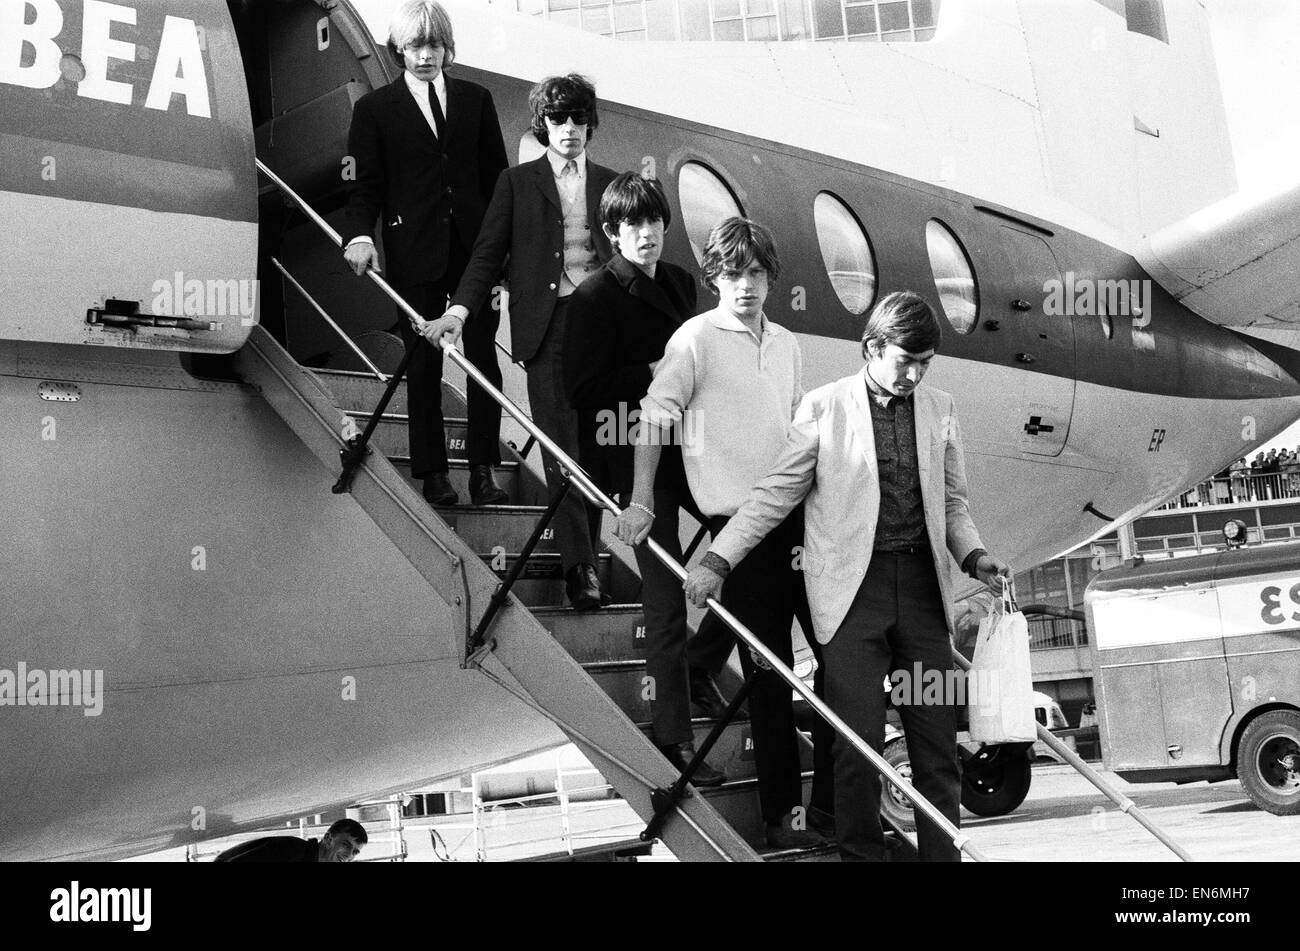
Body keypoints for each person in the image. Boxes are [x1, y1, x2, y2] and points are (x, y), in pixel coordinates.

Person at [684, 290, 1011, 862]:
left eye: (925, 363)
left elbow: (953, 505)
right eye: (904, 360)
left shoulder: (942, 408)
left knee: (935, 749)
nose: (914, 374)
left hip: (923, 594)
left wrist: (976, 558)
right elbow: (772, 496)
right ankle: (861, 857)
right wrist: (718, 560)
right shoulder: (823, 407)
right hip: (852, 600)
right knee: (856, 748)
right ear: (872, 347)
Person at [615, 217, 828, 849]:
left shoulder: (787, 343)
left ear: (770, 278)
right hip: (736, 526)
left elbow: (798, 436)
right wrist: (640, 498)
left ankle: (837, 808)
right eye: (732, 274)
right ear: (714, 278)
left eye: (756, 273)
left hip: (798, 520)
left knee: (836, 659)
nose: (745, 286)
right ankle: (782, 820)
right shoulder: (694, 339)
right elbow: (654, 418)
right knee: (770, 669)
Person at [563, 173, 735, 785]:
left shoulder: (685, 283)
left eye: (654, 224)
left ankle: (701, 661)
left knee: (749, 545)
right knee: (664, 602)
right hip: (633, 457)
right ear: (611, 233)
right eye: (633, 226)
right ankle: (675, 742)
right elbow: (580, 391)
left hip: (689, 448)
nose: (647, 235)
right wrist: (651, 370)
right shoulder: (592, 298)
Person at [423, 74, 615, 610]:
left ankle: (589, 558)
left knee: (598, 449)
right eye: (559, 120)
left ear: (590, 124)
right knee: (560, 448)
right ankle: (582, 570)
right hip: (546, 326)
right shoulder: (516, 182)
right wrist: (459, 310)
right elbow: (486, 254)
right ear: (543, 125)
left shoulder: (612, 183)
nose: (570, 130)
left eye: (579, 119)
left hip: (602, 327)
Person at [340, 0, 509, 508]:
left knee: (483, 361)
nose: (425, 55)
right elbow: (362, 183)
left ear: (447, 48)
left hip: (475, 251)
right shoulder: (373, 111)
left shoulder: (477, 101)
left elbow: (499, 180)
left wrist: (502, 254)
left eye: (434, 45)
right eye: (415, 46)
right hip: (412, 251)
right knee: (423, 364)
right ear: (399, 50)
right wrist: (358, 235)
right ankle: (434, 473)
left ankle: (484, 470)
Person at [214, 818, 367, 863]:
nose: (349, 855)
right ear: (328, 838)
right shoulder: (292, 850)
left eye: (355, 852)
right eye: (346, 845)